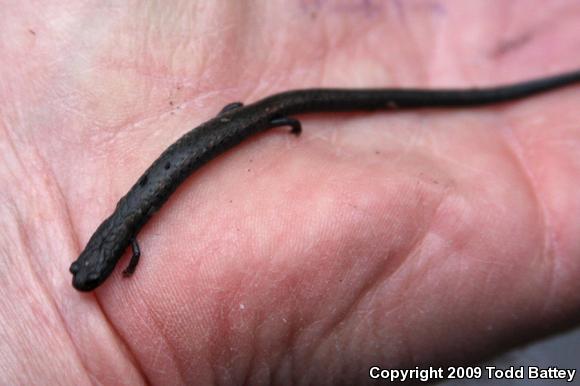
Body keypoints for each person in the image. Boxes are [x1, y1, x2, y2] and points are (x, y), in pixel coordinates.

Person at [1, 2, 579, 384]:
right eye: (92, 271)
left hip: (260, 116)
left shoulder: (125, 239)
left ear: (108, 251)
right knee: (275, 113)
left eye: (91, 268)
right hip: (255, 117)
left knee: (285, 111)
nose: (92, 274)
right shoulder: (121, 235)